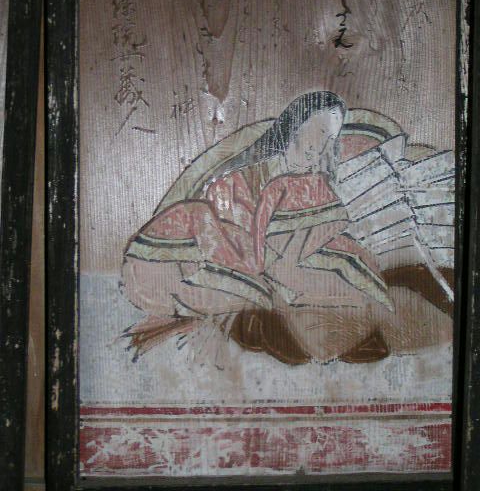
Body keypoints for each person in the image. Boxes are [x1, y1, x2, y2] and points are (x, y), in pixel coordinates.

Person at [120, 91, 453, 365]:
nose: (320, 146)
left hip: (293, 269)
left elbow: (328, 239)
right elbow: (246, 250)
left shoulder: (315, 184)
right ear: (293, 128)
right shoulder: (241, 180)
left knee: (367, 293)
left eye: (329, 139)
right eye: (315, 133)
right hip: (243, 263)